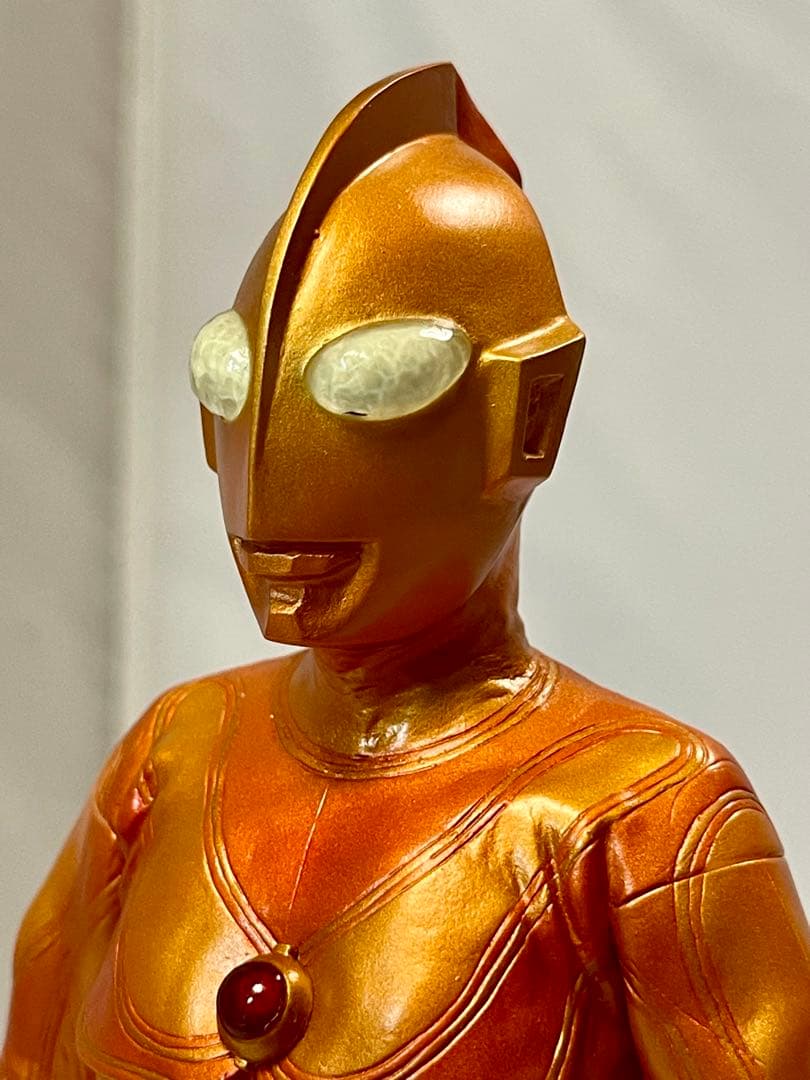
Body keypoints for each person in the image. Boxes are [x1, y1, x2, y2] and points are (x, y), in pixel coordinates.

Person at [3, 63, 809, 1079]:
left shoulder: (642, 821)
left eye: (374, 388)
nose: (265, 491)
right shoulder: (172, 757)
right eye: (230, 381)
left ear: (532, 417)